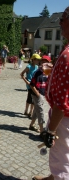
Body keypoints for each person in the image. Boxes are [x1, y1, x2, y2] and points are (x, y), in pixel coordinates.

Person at [33, 6, 69, 180]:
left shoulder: (67, 55)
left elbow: (62, 102)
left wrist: (51, 130)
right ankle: (53, 177)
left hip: (63, 118)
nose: (60, 22)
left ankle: (58, 177)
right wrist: (54, 69)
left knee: (62, 161)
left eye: (63, 18)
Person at [29, 55, 51, 135]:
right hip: (37, 94)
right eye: (43, 61)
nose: (44, 63)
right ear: (41, 62)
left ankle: (31, 125)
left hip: (43, 93)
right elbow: (32, 84)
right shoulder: (38, 72)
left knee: (36, 110)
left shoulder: (48, 71)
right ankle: (42, 131)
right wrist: (37, 94)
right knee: (41, 111)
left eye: (46, 61)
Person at [20, 54, 39, 118]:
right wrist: (26, 81)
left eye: (38, 60)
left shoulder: (37, 67)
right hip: (30, 85)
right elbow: (22, 74)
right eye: (36, 59)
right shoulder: (29, 66)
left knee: (33, 99)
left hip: (35, 84)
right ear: (33, 60)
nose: (37, 61)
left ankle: (30, 112)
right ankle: (27, 111)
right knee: (30, 98)